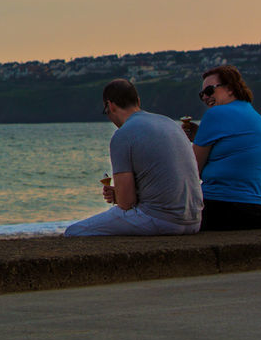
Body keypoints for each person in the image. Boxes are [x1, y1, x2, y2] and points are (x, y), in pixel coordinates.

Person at [65, 79, 202, 236]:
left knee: (74, 232)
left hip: (161, 220)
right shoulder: (169, 123)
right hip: (194, 221)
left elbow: (126, 203)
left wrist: (119, 195)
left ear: (110, 106)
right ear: (138, 101)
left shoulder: (123, 134)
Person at [179, 65, 261, 230]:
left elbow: (191, 171)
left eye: (210, 90)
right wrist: (200, 137)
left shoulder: (215, 114)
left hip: (227, 207)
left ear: (231, 88)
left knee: (160, 212)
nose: (205, 97)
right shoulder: (256, 117)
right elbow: (235, 156)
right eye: (202, 94)